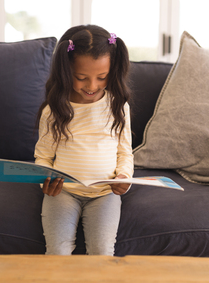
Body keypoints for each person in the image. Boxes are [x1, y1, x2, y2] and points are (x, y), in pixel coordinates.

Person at [34, 24, 133, 255]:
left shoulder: (117, 106)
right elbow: (44, 156)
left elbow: (125, 152)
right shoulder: (55, 109)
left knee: (102, 252)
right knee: (57, 253)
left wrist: (124, 176)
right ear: (66, 72)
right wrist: (44, 180)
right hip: (63, 192)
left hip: (104, 194)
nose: (92, 86)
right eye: (81, 77)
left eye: (102, 77)